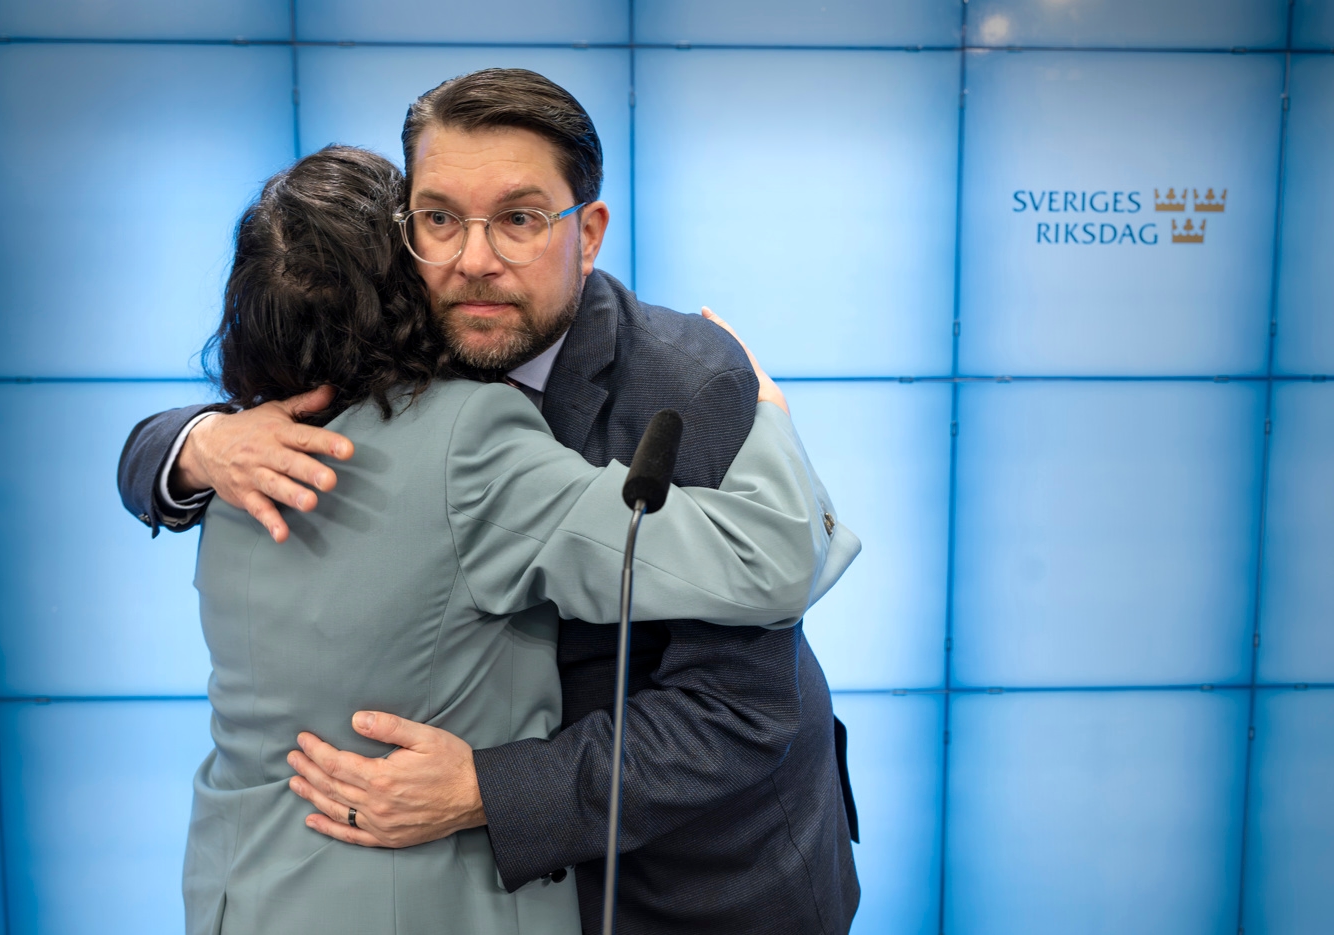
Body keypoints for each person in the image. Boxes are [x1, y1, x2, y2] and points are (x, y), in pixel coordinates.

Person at [118, 69, 862, 933]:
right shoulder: (408, 337)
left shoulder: (691, 384)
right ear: (405, 230)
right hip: (499, 882)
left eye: (518, 219)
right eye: (440, 218)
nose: (474, 258)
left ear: (587, 233)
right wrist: (195, 443)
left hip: (700, 878)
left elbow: (739, 709)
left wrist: (488, 790)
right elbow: (199, 433)